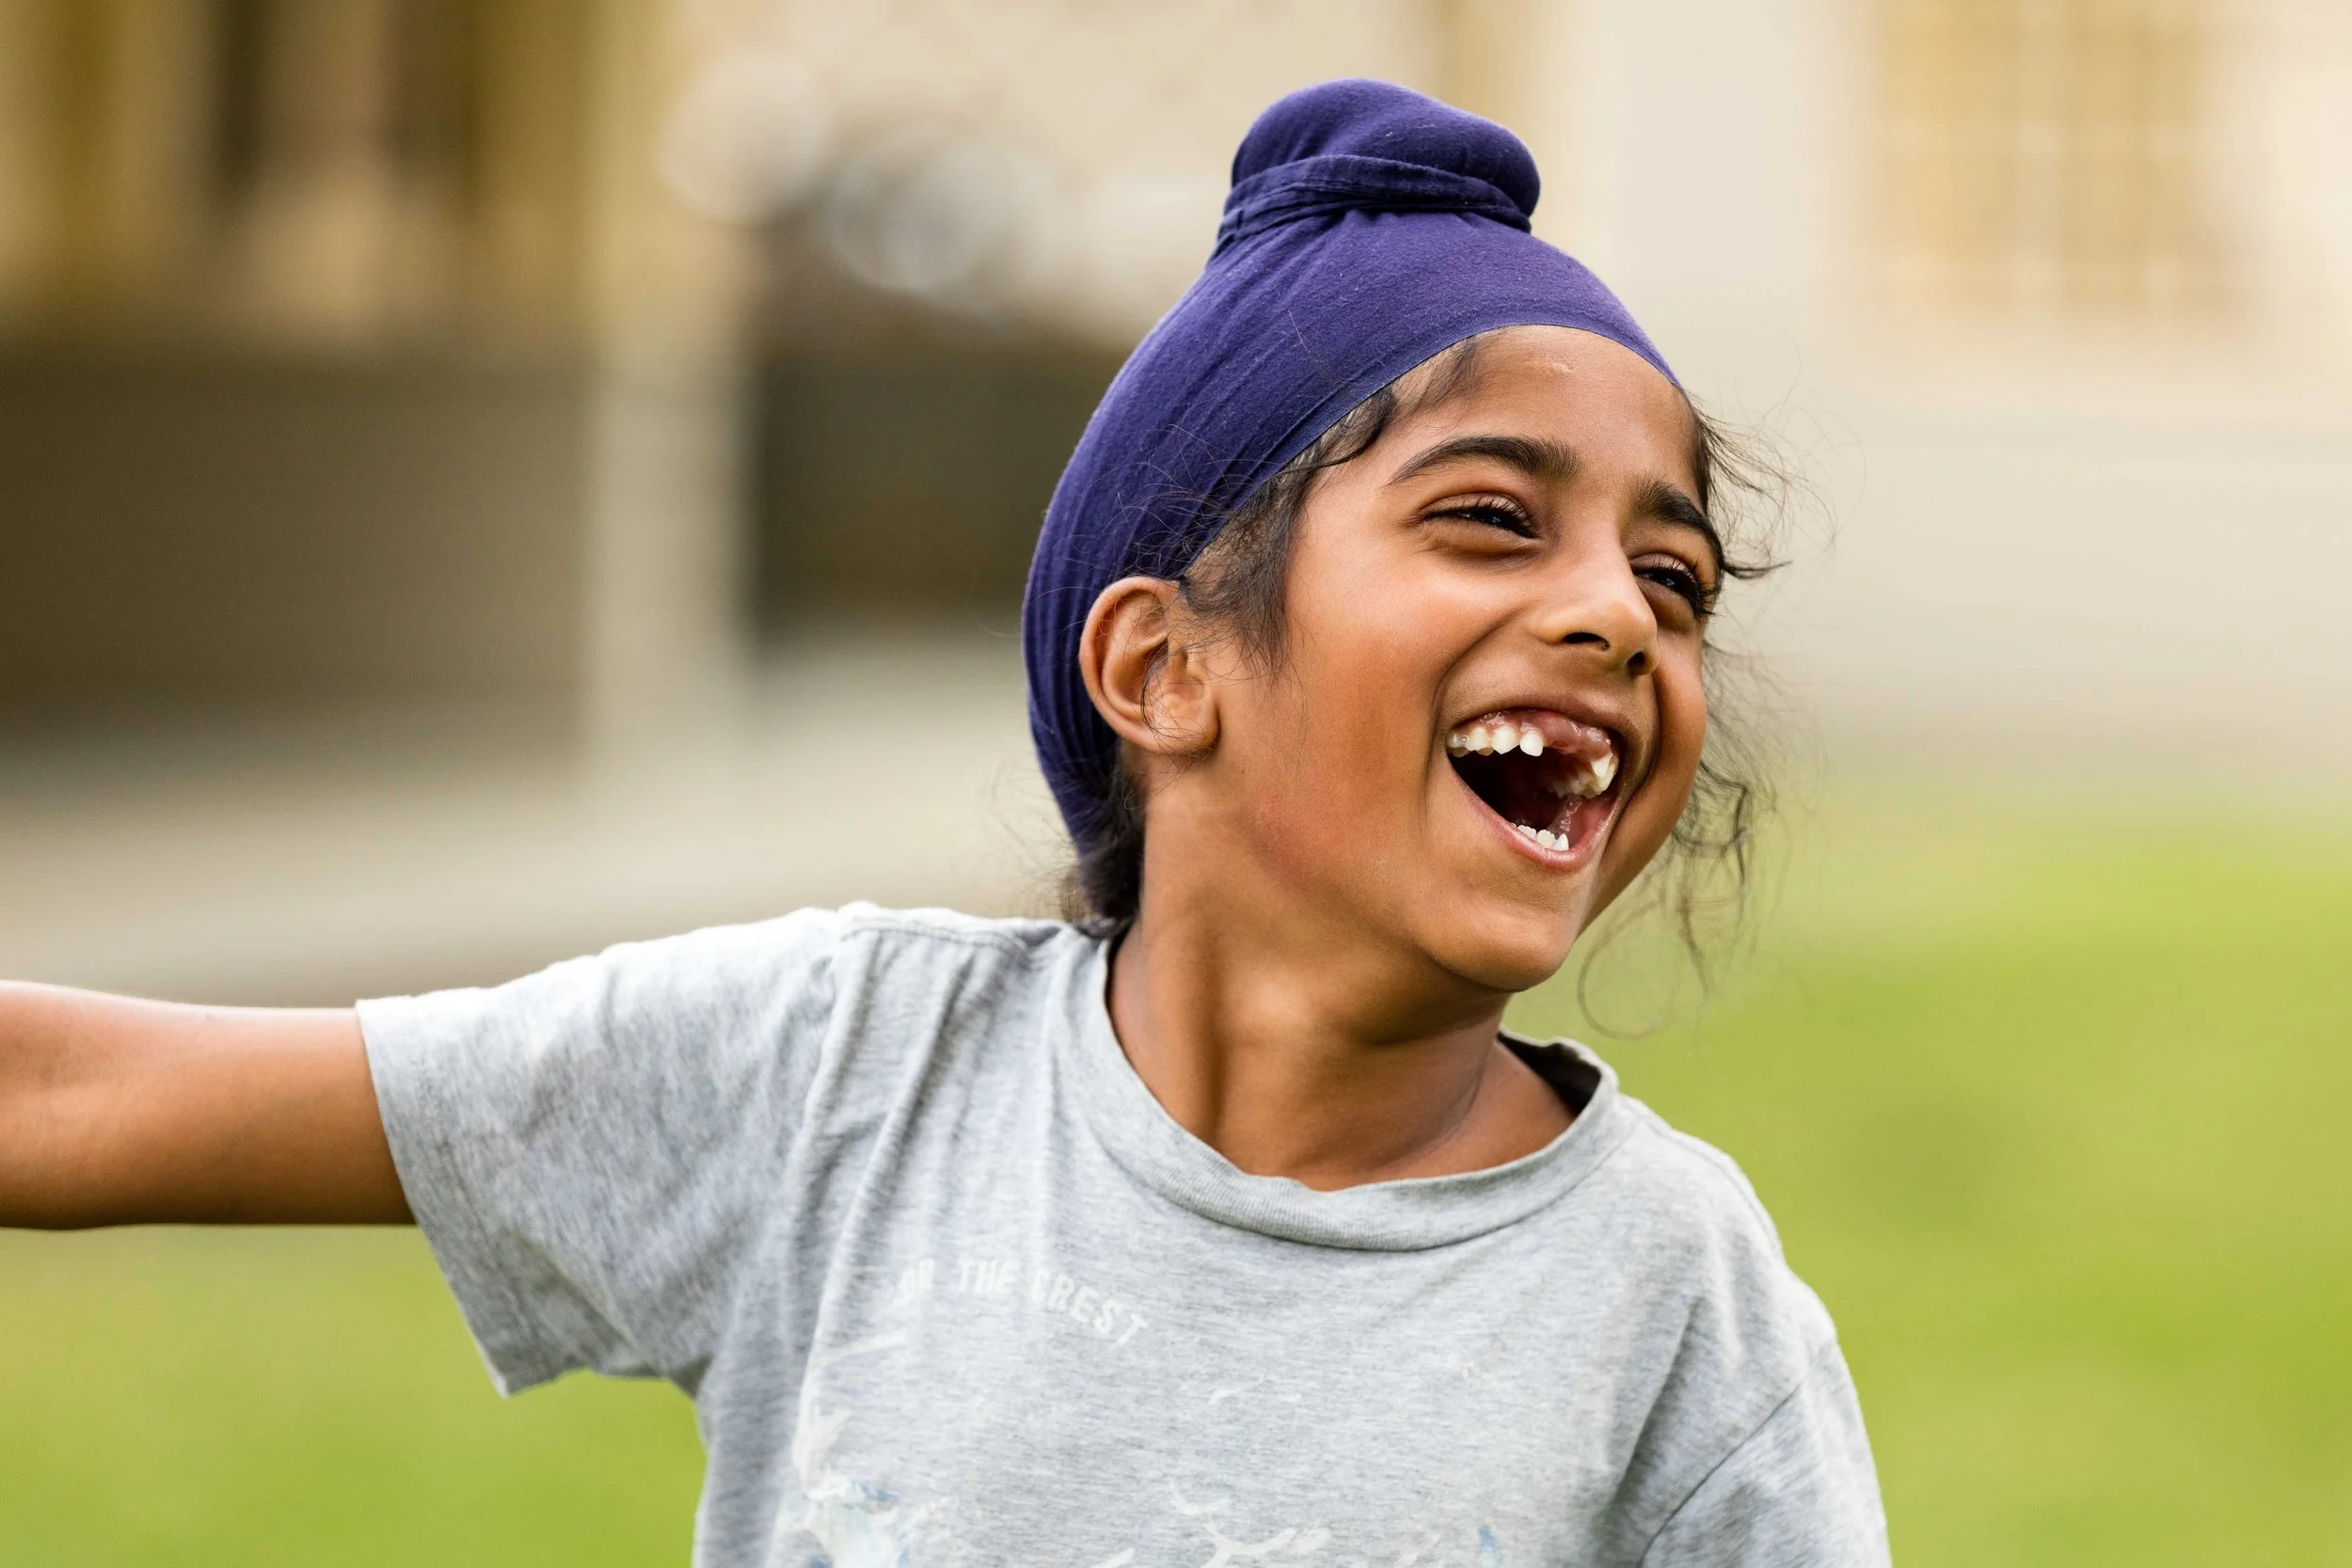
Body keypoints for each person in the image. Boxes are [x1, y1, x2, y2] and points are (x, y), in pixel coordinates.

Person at [0, 81, 1888, 1567]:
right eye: (1491, 516)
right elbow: (71, 1095)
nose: (1617, 612)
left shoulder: (1671, 1298)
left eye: (1675, 575)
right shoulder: (837, 1077)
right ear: (1159, 666)